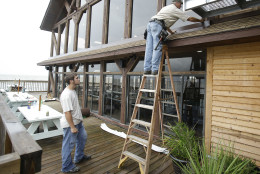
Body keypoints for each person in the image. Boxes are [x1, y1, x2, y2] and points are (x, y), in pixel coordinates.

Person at [144, 0, 204, 75]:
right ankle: (155, 69)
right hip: (157, 26)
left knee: (149, 48)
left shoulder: (166, 8)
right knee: (157, 46)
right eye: (180, 4)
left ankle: (146, 69)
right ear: (177, 3)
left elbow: (163, 22)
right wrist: (200, 20)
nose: (181, 6)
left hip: (150, 24)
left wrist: (171, 32)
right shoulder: (175, 10)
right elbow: (189, 18)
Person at [60, 73, 91, 173]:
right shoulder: (66, 95)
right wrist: (72, 127)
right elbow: (67, 112)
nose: (79, 79)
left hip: (78, 122)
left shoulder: (72, 90)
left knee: (83, 137)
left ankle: (79, 157)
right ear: (71, 81)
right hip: (70, 125)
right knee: (68, 146)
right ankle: (66, 167)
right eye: (77, 78)